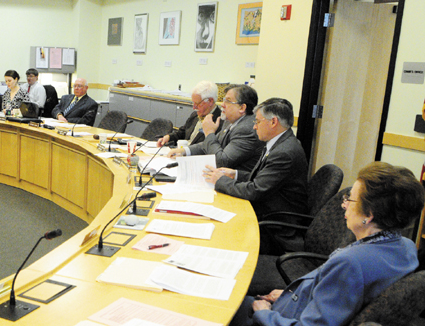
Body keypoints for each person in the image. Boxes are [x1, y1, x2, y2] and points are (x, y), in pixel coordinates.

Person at [231, 162, 424, 326]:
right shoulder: (405, 246)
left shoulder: (351, 264)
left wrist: (263, 313)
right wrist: (292, 294)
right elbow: (339, 297)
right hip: (295, 305)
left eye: (350, 199)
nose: (344, 204)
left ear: (369, 215)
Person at [203, 98, 307, 221]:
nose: (254, 127)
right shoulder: (281, 142)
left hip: (274, 219)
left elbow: (255, 191)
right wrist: (235, 174)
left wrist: (221, 180)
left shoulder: (284, 152)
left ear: (273, 122)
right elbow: (264, 179)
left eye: (257, 122)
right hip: (267, 208)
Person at [168, 84, 264, 173]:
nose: (222, 104)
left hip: (238, 185)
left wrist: (209, 133)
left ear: (242, 108)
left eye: (228, 101)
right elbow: (211, 144)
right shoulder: (229, 121)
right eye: (223, 100)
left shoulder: (246, 129)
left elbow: (221, 161)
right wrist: (185, 150)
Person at [156, 81, 223, 147]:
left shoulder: (220, 122)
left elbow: (208, 148)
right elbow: (182, 133)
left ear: (210, 101)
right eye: (193, 103)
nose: (194, 107)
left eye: (197, 104)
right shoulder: (195, 115)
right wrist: (168, 137)